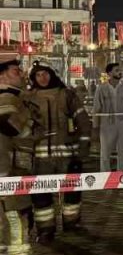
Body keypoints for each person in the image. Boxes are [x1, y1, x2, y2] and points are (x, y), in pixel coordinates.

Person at [25, 64, 90, 241]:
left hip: (68, 154)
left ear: (52, 74)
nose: (42, 78)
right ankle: (45, 230)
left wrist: (83, 146)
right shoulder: (29, 97)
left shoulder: (66, 95)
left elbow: (83, 120)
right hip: (41, 157)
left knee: (72, 191)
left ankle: (72, 222)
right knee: (41, 193)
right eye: (38, 75)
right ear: (33, 78)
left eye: (45, 73)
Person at [0, 57, 47, 255]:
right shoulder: (6, 97)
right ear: (2, 75)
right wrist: (32, 128)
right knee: (16, 213)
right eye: (15, 71)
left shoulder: (15, 96)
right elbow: (8, 124)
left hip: (8, 165)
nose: (21, 73)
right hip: (9, 167)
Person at [93, 62, 123, 171]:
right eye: (116, 70)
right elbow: (96, 107)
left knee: (122, 152)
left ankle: (121, 176)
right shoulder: (101, 88)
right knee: (105, 152)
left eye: (119, 70)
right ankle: (105, 176)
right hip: (107, 123)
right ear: (109, 73)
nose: (119, 72)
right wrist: (95, 125)